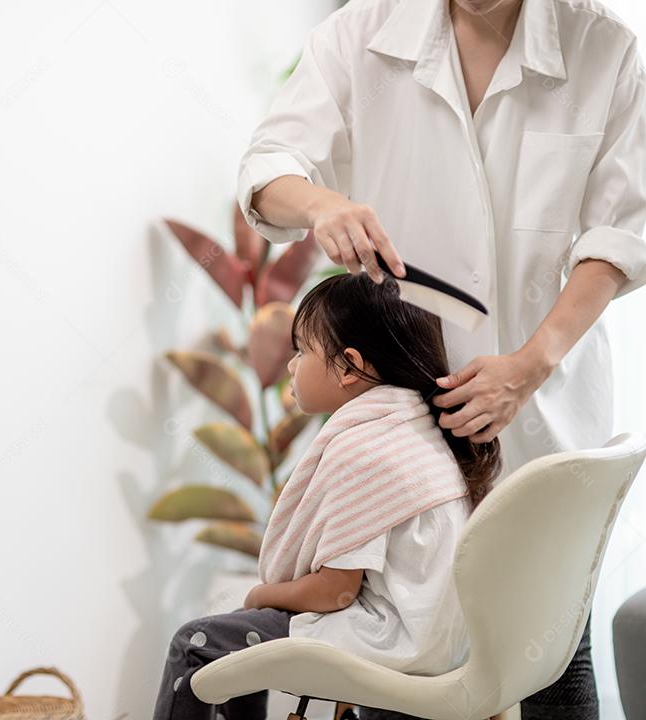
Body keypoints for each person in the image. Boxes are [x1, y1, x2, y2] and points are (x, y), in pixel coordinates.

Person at [237, 0, 646, 716]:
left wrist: (530, 365)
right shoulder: (364, 33)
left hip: (542, 408)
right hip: (406, 433)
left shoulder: (602, 46)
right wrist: (321, 204)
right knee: (403, 660)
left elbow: (621, 234)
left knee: (552, 653)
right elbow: (270, 167)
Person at [152, 271, 501, 720]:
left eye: (301, 351)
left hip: (392, 641)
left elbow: (335, 592)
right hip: (441, 643)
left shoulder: (365, 446)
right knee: (234, 646)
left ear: (348, 367)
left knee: (195, 645)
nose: (291, 366)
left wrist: (262, 595)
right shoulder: (417, 429)